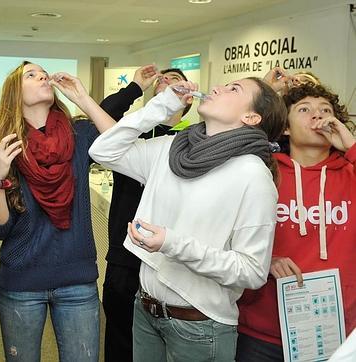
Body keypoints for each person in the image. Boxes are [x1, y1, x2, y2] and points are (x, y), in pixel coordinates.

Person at [88, 77, 287, 360]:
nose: (218, 87)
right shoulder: (171, 149)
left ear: (251, 117)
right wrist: (162, 105)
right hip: (145, 308)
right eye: (224, 83)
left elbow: (252, 271)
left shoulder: (252, 174)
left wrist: (173, 244)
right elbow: (102, 151)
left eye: (234, 89)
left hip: (200, 326)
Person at [0, 61, 116, 361]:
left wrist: (82, 98)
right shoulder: (4, 146)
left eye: (43, 72)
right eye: (31, 74)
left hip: (77, 279)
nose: (42, 75)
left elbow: (119, 143)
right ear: (15, 92)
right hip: (21, 281)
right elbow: (0, 229)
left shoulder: (78, 133)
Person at [237, 83, 355, 361]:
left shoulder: (350, 174)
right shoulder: (261, 173)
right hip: (262, 332)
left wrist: (350, 145)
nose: (318, 116)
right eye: (304, 110)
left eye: (325, 110)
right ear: (285, 127)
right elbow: (225, 235)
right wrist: (266, 260)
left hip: (338, 333)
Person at [99, 65, 192, 362]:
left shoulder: (193, 139)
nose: (166, 81)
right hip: (125, 254)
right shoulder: (133, 130)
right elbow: (103, 114)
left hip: (168, 257)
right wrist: (136, 86)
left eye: (174, 79)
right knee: (119, 338)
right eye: (161, 80)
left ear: (188, 97)